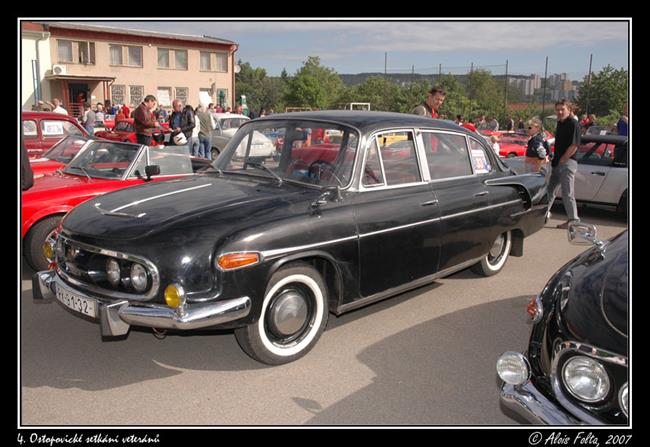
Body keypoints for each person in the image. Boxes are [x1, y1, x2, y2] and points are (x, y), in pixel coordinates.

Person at [547, 99, 581, 229]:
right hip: (558, 163)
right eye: (558, 110)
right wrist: (555, 159)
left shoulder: (573, 123)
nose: (560, 112)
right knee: (550, 191)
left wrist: (563, 160)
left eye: (562, 109)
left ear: (569, 110)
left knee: (567, 193)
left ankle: (573, 220)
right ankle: (543, 215)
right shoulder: (560, 123)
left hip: (567, 163)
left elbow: (574, 145)